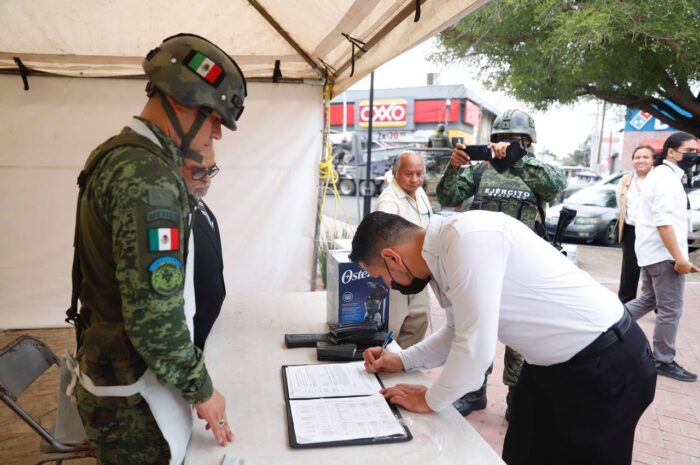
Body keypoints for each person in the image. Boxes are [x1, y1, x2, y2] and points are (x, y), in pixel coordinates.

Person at [351, 211, 656, 465]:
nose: (387, 285)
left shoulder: (466, 239)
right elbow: (457, 331)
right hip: (548, 368)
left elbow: (475, 350)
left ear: (391, 256)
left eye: (380, 276)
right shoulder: (442, 254)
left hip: (606, 363)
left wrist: (431, 398)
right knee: (522, 454)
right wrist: (401, 360)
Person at [67, 33, 247, 464]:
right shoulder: (150, 179)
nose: (216, 134)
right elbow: (154, 322)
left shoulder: (118, 154)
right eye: (213, 117)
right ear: (182, 102)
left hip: (120, 379)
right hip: (134, 401)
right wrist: (202, 388)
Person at [436, 109, 566, 418]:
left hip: (523, 267)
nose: (508, 144)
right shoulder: (479, 171)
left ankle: (515, 397)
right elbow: (446, 196)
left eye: (517, 140)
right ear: (493, 140)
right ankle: (474, 391)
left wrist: (517, 158)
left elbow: (555, 186)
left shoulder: (534, 171)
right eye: (503, 139)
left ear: (527, 142)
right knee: (478, 328)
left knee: (519, 335)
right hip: (482, 264)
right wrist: (453, 168)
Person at [625, 132, 699, 382]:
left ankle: (608, 323)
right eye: (689, 150)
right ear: (671, 152)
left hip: (654, 253)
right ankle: (663, 360)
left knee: (648, 299)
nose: (694, 155)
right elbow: (664, 224)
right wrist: (680, 259)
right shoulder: (666, 179)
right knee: (671, 309)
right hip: (664, 255)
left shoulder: (662, 176)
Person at [373, 151, 433, 348]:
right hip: (398, 278)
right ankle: (382, 370)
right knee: (392, 330)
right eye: (409, 174)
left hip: (421, 275)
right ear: (395, 172)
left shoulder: (420, 193)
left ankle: (402, 368)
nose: (415, 179)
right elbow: (383, 236)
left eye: (419, 173)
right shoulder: (389, 200)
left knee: (418, 322)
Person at [179, 145, 226, 350]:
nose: (207, 179)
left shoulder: (196, 202)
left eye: (211, 170)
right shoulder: (174, 215)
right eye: (198, 171)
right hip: (192, 331)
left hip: (208, 324)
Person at [616, 145, 655, 303]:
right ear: (632, 161)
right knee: (629, 269)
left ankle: (659, 305)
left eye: (646, 157)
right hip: (631, 229)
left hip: (654, 231)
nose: (641, 160)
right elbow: (621, 204)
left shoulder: (659, 179)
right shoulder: (625, 180)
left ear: (653, 160)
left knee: (655, 268)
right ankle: (625, 303)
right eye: (637, 157)